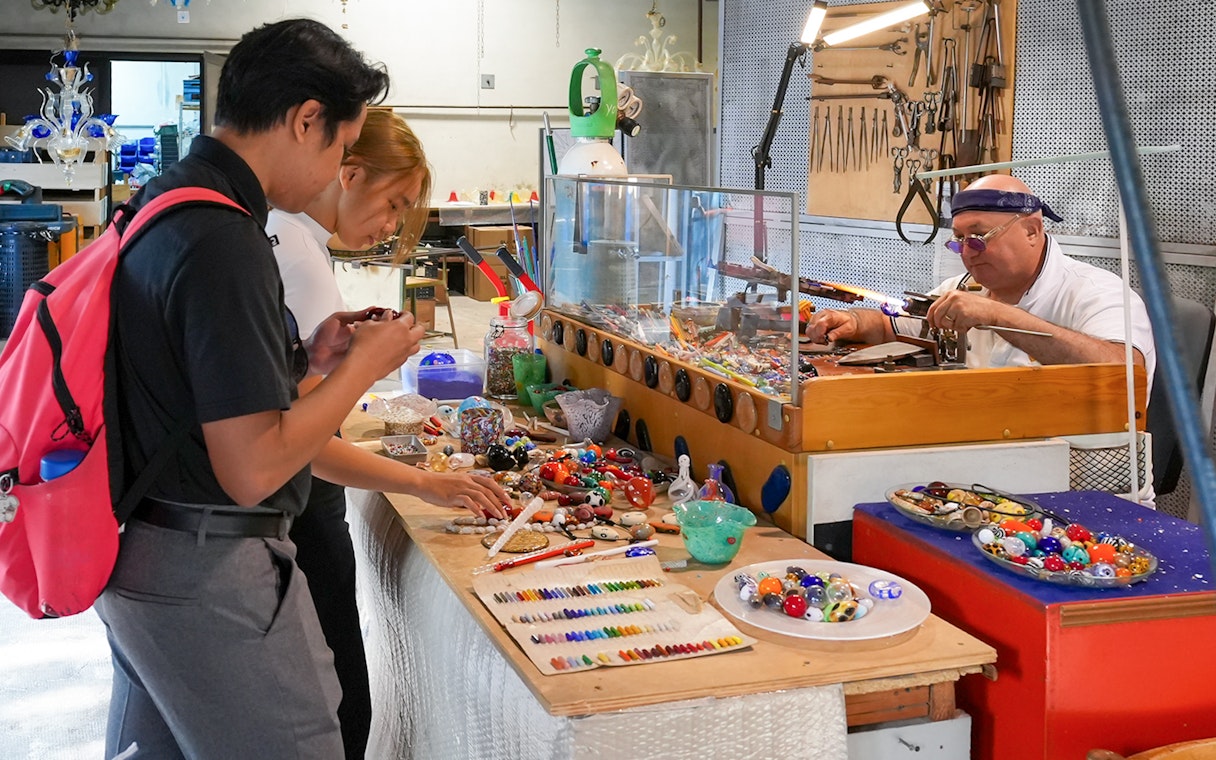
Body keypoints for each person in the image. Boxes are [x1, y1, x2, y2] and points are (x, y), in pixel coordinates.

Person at [91, 19, 498, 760]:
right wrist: (357, 371)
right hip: (206, 569)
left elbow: (189, 388)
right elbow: (253, 467)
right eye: (343, 147)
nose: (338, 171)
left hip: (143, 553)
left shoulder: (168, 200)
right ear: (306, 120)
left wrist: (305, 354)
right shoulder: (225, 240)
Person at [266, 108, 508, 759]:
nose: (393, 227)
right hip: (298, 515)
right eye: (394, 204)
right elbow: (307, 441)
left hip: (285, 511)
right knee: (340, 706)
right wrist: (427, 481)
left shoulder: (289, 237)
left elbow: (300, 387)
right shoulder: (297, 250)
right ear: (347, 172)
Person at [806, 174, 1156, 382]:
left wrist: (997, 315)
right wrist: (852, 320)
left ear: (1032, 231)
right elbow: (896, 325)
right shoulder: (964, 289)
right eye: (958, 241)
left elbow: (1124, 373)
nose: (968, 252)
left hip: (1080, 483)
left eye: (978, 237)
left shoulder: (1098, 294)